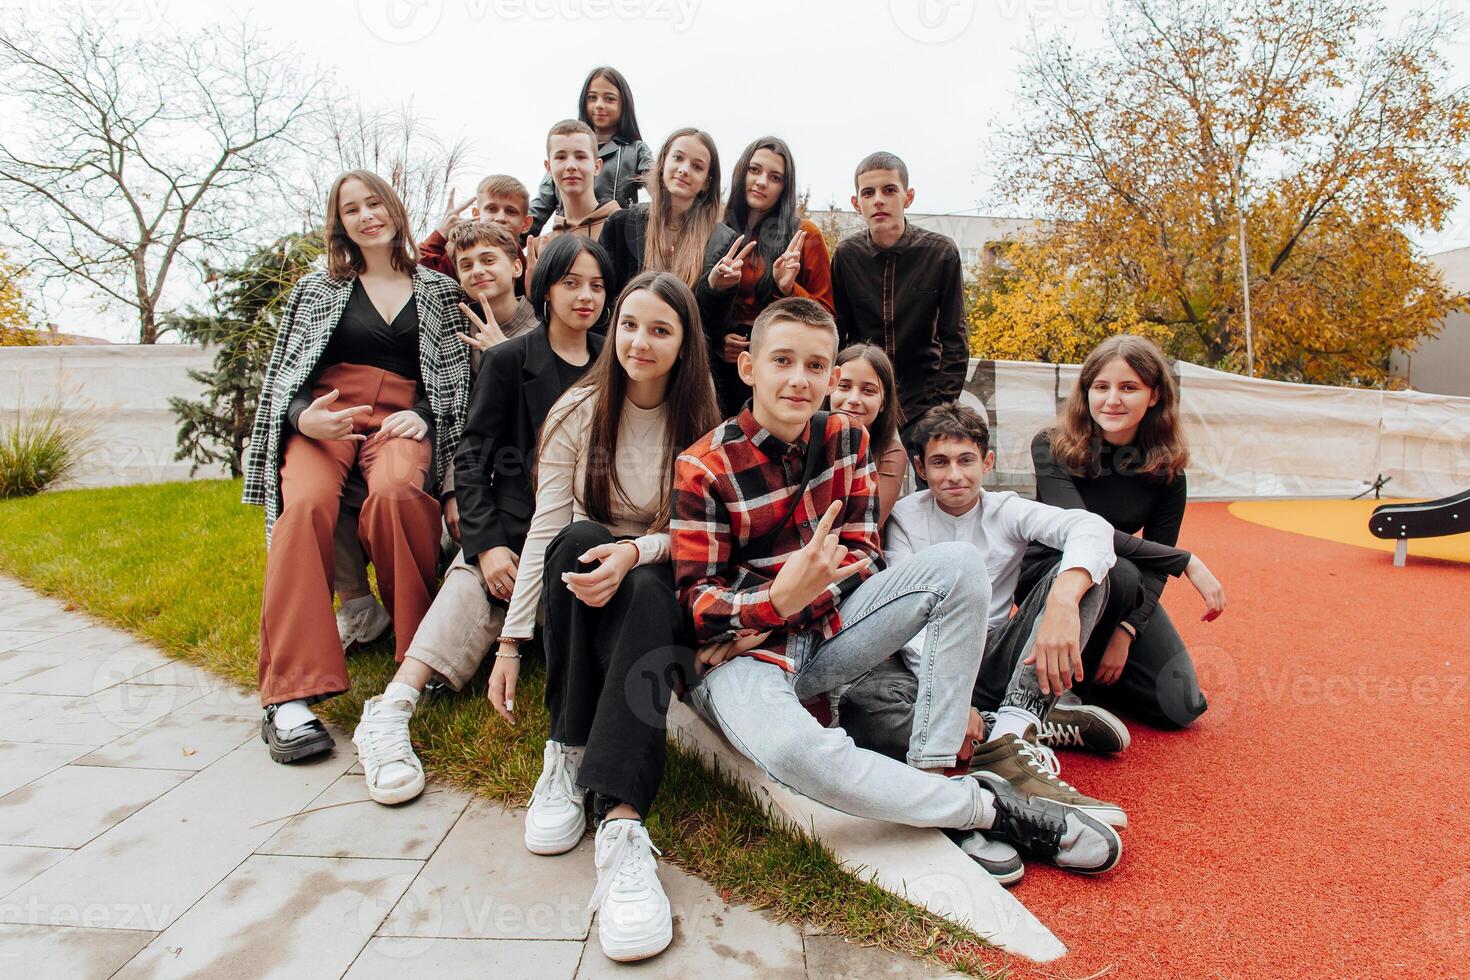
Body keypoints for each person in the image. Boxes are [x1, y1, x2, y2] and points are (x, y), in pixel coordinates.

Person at [671, 296, 1122, 888]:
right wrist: (771, 604)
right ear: (749, 368)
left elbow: (863, 557)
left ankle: (933, 770)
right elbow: (697, 603)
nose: (798, 379)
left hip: (826, 631)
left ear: (831, 378)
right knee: (792, 753)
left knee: (958, 564)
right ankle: (978, 806)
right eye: (782, 361)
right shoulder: (703, 466)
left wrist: (793, 601)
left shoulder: (848, 440)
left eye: (814, 366)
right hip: (746, 656)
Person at [486, 271, 720, 963]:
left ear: (684, 344)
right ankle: (564, 752)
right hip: (583, 576)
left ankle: (621, 820)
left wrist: (636, 552)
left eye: (660, 329)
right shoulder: (575, 412)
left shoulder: (705, 424)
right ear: (611, 329)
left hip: (660, 589)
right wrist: (509, 641)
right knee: (578, 541)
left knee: (644, 585)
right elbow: (544, 532)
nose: (639, 342)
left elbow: (702, 537)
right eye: (628, 325)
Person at [349, 234, 611, 803]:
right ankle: (392, 710)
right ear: (544, 286)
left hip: (584, 546)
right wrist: (486, 545)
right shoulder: (509, 359)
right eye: (571, 282)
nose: (584, 296)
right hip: (514, 538)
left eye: (596, 284)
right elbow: (471, 462)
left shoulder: (613, 364)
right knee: (472, 586)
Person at [243, 169, 471, 764]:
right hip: (327, 417)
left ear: (394, 209)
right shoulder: (319, 288)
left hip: (400, 420)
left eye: (375, 202)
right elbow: (281, 379)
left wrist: (424, 414)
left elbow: (453, 377)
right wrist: (301, 418)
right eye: (352, 209)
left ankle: (419, 652)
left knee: (398, 495)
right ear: (339, 223)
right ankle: (290, 697)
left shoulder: (439, 292)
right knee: (307, 508)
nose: (367, 215)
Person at [839, 404, 1130, 845]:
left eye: (965, 460)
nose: (954, 474)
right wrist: (950, 705)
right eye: (939, 462)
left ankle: (1010, 735)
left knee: (1085, 579)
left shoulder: (1006, 510)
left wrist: (1064, 602)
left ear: (987, 463)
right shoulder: (904, 519)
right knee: (861, 709)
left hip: (993, 658)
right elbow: (910, 622)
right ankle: (1017, 729)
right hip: (924, 665)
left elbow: (1090, 528)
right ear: (919, 467)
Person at [333, 219, 537, 650]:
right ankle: (388, 613)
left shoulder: (540, 330)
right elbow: (455, 419)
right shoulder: (452, 334)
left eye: (489, 259)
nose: (479, 270)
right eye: (466, 265)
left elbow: (544, 418)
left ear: (517, 266)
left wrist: (507, 358)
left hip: (523, 475)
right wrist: (452, 492)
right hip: (465, 469)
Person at [1024, 334, 1225, 733]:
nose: (1112, 399)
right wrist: (1185, 559)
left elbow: (1154, 572)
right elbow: (1086, 533)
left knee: (1181, 706)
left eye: (1128, 387)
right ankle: (1058, 689)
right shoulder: (1052, 446)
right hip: (1052, 572)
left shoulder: (1168, 471)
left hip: (1124, 588)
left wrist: (1127, 632)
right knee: (1122, 572)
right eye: (1101, 387)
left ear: (1154, 396)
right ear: (1086, 393)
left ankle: (1088, 676)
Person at [830, 152, 967, 447]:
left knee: (931, 483)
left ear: (908, 197)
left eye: (889, 190)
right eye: (868, 192)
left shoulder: (940, 253)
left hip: (923, 399)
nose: (878, 200)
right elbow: (839, 332)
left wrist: (941, 408)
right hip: (862, 396)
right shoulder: (846, 255)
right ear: (857, 204)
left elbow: (955, 337)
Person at [711, 136, 834, 414]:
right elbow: (698, 301)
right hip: (721, 364)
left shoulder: (805, 235)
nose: (762, 181)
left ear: (785, 187)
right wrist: (717, 342)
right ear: (741, 172)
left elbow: (827, 316)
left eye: (775, 177)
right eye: (754, 170)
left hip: (779, 364)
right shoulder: (716, 227)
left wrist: (789, 289)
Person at [598, 127, 746, 348]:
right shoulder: (620, 224)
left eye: (697, 167)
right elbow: (604, 305)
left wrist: (717, 289)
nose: (684, 170)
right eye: (677, 158)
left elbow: (712, 332)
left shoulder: (722, 241)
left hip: (684, 361)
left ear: (706, 181)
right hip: (627, 354)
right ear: (663, 163)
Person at [527, 67, 652, 237]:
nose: (599, 105)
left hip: (615, 246)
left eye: (609, 99)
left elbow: (660, 192)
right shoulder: (563, 155)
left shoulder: (635, 150)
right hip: (568, 245)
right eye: (592, 98)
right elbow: (537, 212)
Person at [523, 120, 623, 289]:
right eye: (561, 157)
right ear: (548, 167)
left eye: (580, 157)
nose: (571, 166)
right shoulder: (541, 246)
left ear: (597, 166)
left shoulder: (624, 227)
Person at [830, 343, 907, 526]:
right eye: (844, 386)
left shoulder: (891, 453)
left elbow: (868, 522)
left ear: (883, 403)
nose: (854, 399)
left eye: (868, 390)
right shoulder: (801, 439)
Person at [419, 175, 533, 279]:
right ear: (476, 215)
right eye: (491, 209)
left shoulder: (529, 267)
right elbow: (418, 275)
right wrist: (440, 234)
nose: (500, 218)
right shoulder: (460, 253)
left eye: (511, 211)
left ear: (526, 223)